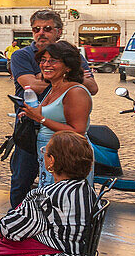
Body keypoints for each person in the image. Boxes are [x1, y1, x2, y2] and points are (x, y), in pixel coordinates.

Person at [9, 10, 98, 208]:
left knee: (58, 192)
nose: (41, 33)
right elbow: (31, 86)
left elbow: (92, 88)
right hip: (29, 133)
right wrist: (60, 75)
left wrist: (46, 77)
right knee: (22, 182)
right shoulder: (21, 56)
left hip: (62, 139)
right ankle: (17, 221)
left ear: (59, 31)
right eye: (36, 29)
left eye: (47, 29)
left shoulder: (72, 57)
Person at [20, 41, 92, 188]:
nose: (46, 64)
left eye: (53, 61)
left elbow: (78, 131)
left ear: (68, 66)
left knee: (63, 204)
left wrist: (41, 118)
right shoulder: (53, 88)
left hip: (68, 159)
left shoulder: (75, 92)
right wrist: (30, 114)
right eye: (43, 60)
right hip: (50, 155)